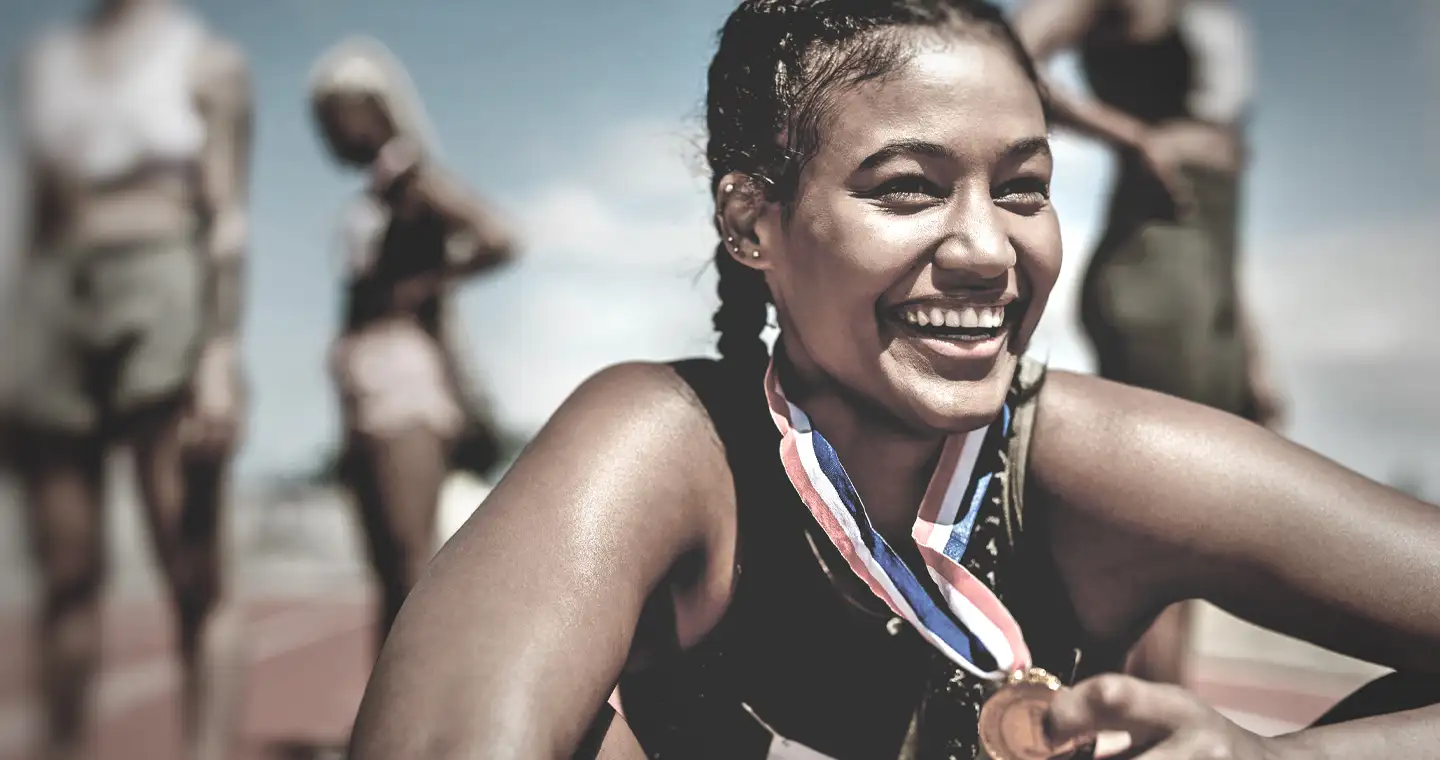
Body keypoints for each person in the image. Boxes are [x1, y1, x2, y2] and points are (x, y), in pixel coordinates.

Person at [346, 2, 1440, 759]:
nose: (986, 250)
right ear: (750, 223)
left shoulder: (1096, 464)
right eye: (907, 189)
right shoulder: (666, 444)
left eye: (1023, 189)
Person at [6, 0, 250, 758]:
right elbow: (33, 216)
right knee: (67, 574)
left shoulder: (207, 61)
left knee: (193, 575)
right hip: (54, 301)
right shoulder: (45, 66)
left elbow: (227, 215)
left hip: (164, 290)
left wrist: (216, 355)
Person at [1012, 0, 1275, 688]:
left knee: (1205, 518)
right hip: (1157, 266)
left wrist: (1252, 346)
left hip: (1210, 272)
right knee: (1167, 517)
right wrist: (1131, 136)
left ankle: (1159, 711)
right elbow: (1009, 53)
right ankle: (1123, 715)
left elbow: (1224, 243)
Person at [308, 38, 516, 655]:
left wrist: (425, 283)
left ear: (373, 108)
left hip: (403, 377)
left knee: (409, 564)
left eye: (334, 116)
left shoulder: (412, 178)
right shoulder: (373, 193)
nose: (328, 135)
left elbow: (499, 235)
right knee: (387, 571)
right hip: (364, 378)